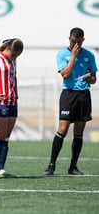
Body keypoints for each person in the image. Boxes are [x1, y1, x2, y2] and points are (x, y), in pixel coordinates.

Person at [44, 27, 97, 176]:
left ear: (83, 41)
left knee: (78, 133)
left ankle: (73, 166)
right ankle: (51, 165)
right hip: (68, 94)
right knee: (62, 130)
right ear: (69, 39)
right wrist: (73, 56)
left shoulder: (89, 55)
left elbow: (94, 79)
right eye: (74, 41)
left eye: (79, 42)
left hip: (84, 96)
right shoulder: (62, 54)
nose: (76, 45)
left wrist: (89, 78)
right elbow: (65, 75)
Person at [0, 38, 24, 178]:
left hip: (12, 101)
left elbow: (13, 77)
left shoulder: (13, 60)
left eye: (17, 56)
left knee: (7, 137)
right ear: (7, 49)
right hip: (1, 101)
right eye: (14, 54)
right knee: (1, 134)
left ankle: (1, 168)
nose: (15, 57)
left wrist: (16, 92)